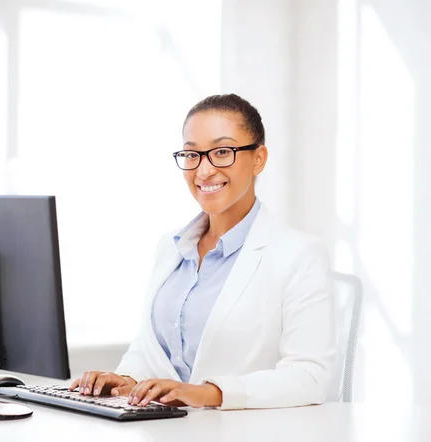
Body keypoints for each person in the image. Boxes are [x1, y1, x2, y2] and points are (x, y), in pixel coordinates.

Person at [69, 93, 337, 410]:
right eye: (192, 154)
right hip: (168, 430)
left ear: (258, 158)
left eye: (222, 152)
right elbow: (151, 348)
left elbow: (310, 377)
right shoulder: (171, 248)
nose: (204, 170)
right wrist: (127, 379)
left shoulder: (300, 255)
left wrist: (209, 393)